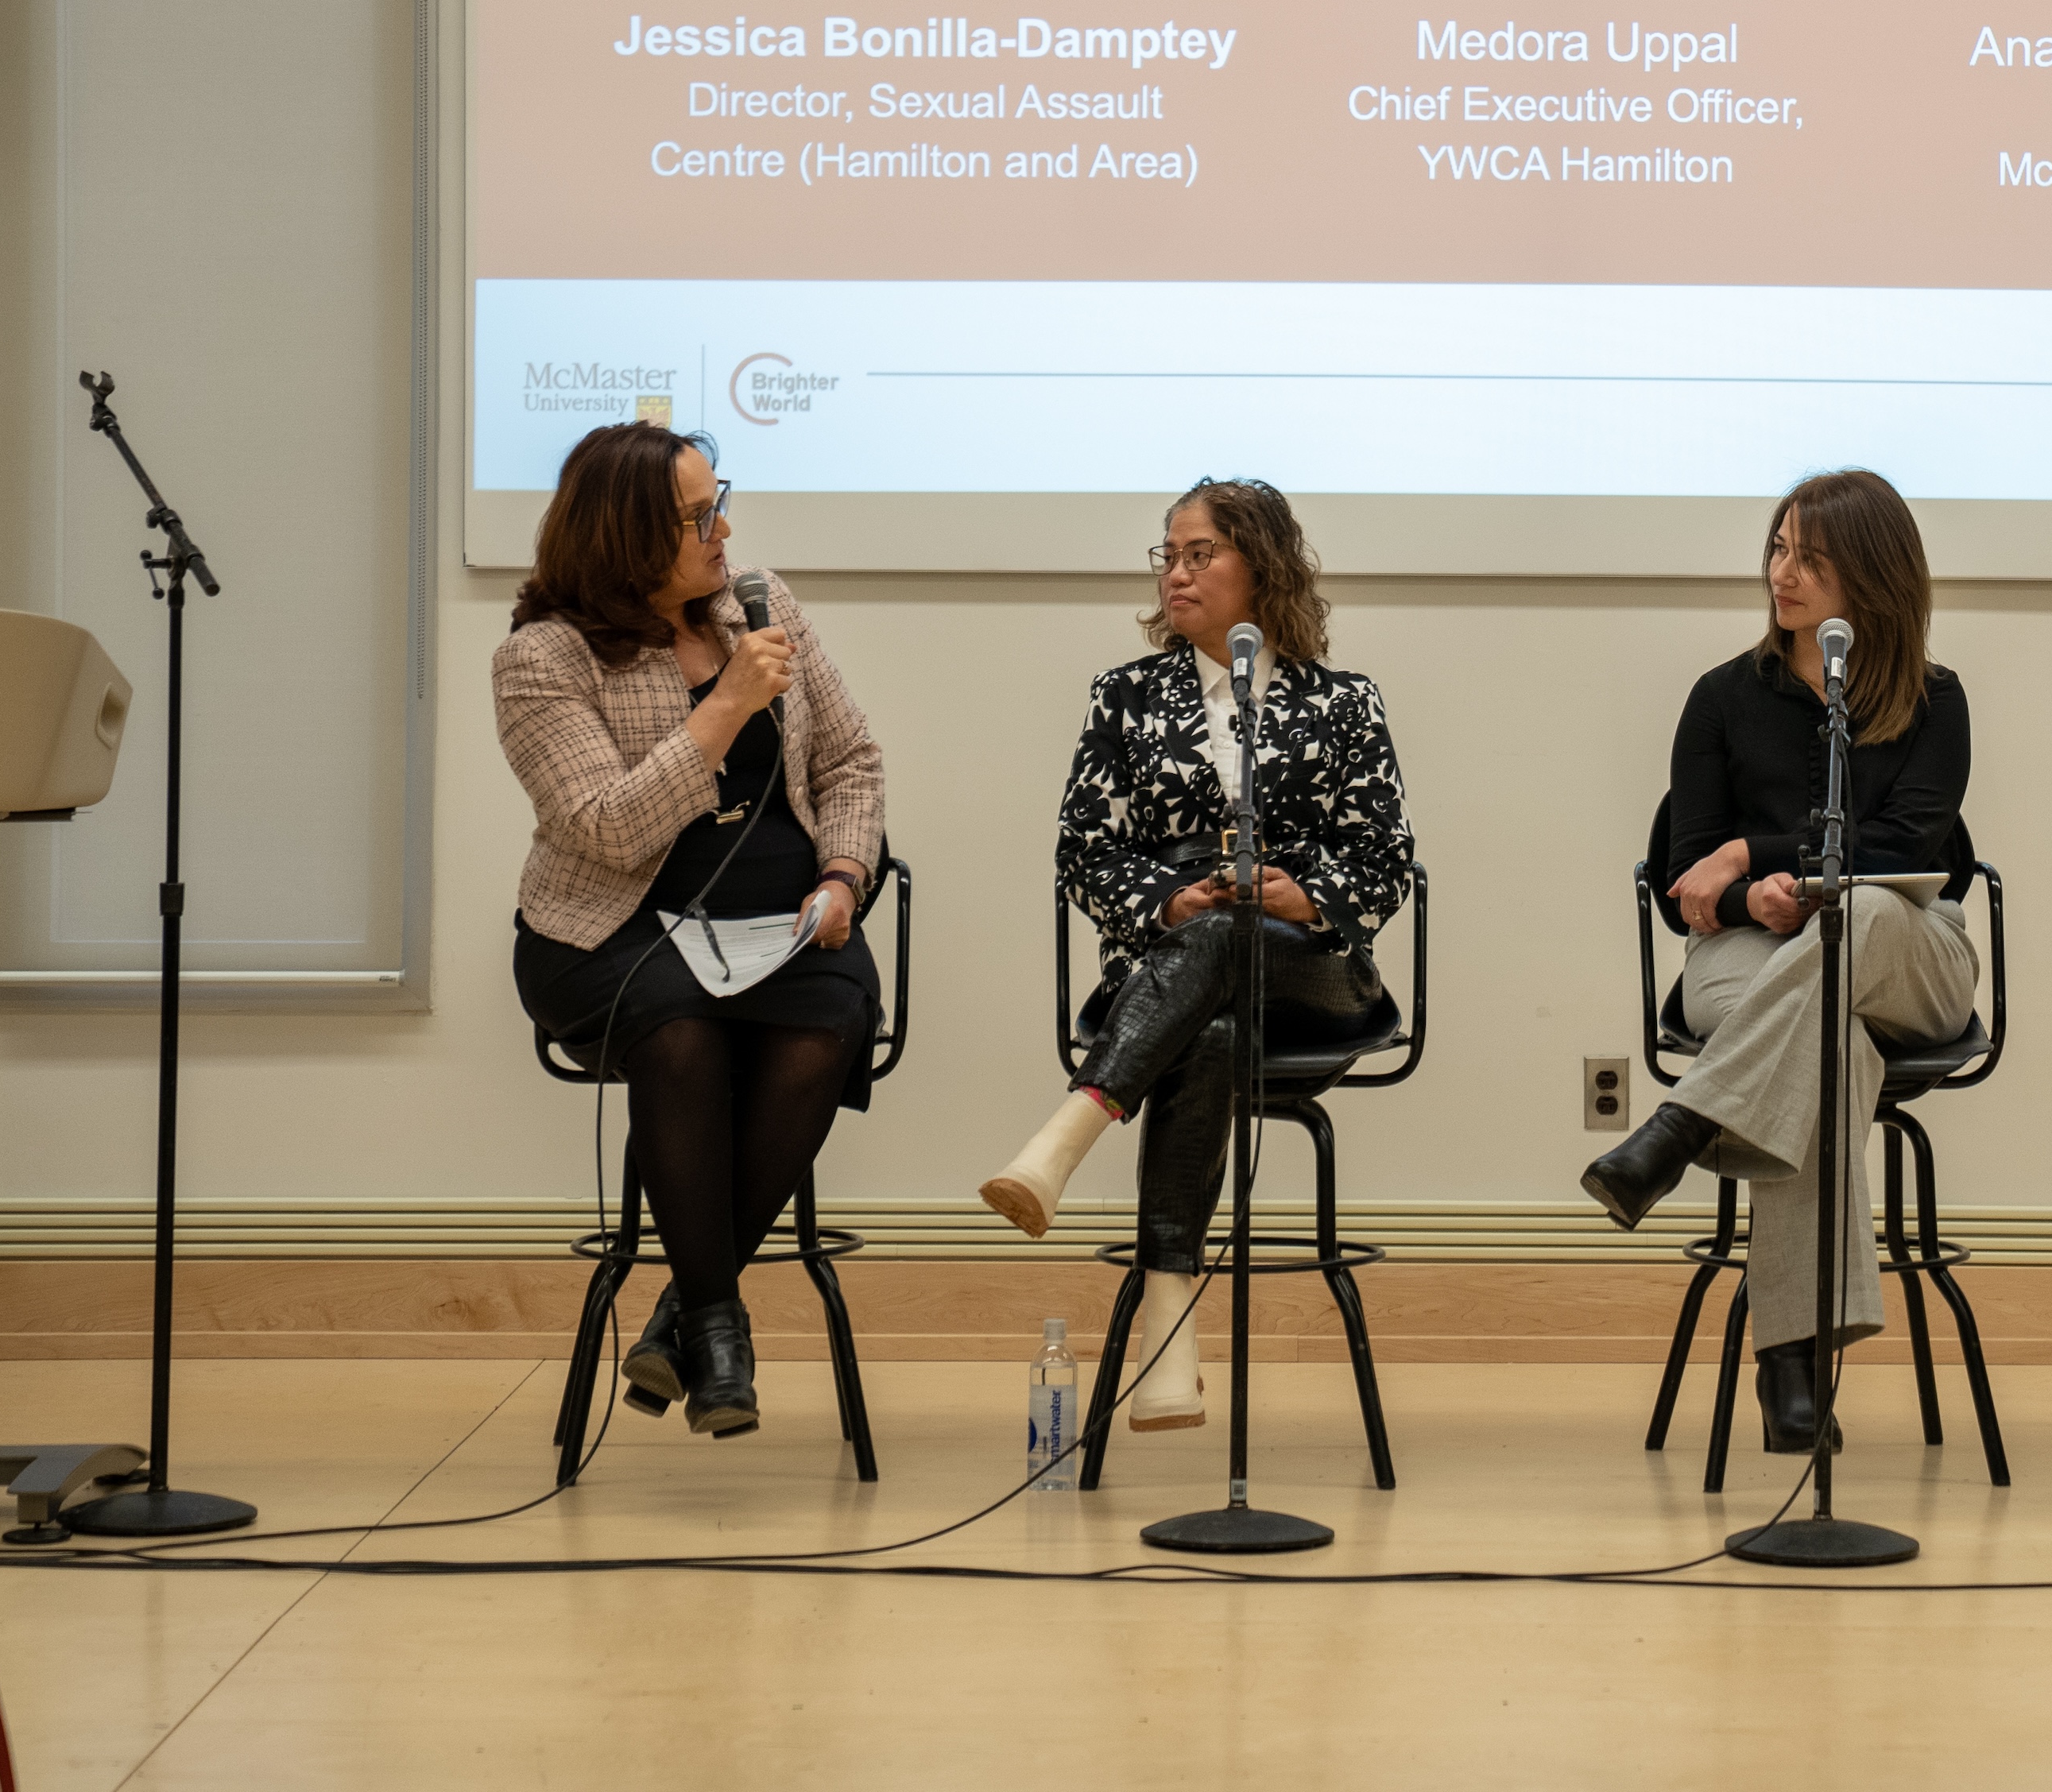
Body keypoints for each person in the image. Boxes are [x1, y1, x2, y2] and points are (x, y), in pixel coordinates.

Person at [978, 480, 1417, 1435]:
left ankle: (1071, 1130)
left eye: (1199, 553)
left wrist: (1300, 895)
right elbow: (1084, 850)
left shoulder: (1344, 702)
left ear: (1262, 564)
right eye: (1166, 555)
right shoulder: (1124, 695)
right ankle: (1169, 1339)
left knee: (1229, 935)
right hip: (1174, 965)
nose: (1175, 573)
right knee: (1209, 1020)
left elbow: (1386, 859)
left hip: (1315, 972)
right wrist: (1169, 898)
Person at [494, 424, 887, 1438]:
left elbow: (852, 762)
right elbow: (609, 830)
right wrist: (723, 707)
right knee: (678, 1038)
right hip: (613, 931)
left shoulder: (760, 601)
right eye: (695, 515)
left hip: (782, 927)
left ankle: (683, 1312)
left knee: (825, 1028)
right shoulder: (543, 659)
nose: (724, 528)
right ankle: (718, 1326)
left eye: (722, 500)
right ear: (625, 532)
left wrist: (844, 872)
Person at [1580, 470, 1980, 1454]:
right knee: (1826, 1052)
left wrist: (1768, 863)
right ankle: (1792, 1367)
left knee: (1870, 910)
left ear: (1874, 575)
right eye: (1777, 547)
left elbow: (1908, 849)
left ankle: (1682, 1124)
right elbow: (1688, 878)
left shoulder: (1937, 698)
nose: (1783, 572)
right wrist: (1744, 894)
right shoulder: (1721, 697)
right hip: (1749, 958)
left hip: (1906, 952)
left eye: (1812, 555)